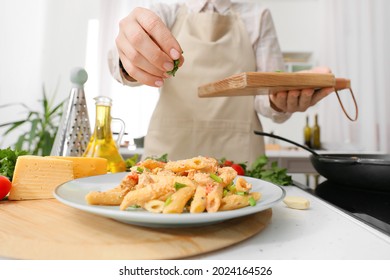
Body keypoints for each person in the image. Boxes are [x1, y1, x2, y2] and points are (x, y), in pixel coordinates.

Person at [108, 0, 333, 164]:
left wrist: (281, 100)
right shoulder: (164, 13)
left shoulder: (258, 16)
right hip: (169, 154)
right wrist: (128, 63)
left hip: (240, 160)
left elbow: (266, 99)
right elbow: (120, 63)